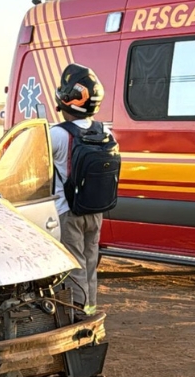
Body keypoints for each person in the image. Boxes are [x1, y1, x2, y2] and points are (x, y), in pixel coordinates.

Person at [50, 63, 116, 318]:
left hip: (68, 211)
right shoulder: (105, 132)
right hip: (96, 209)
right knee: (90, 262)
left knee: (73, 263)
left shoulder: (57, 134)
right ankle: (90, 308)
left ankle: (76, 313)